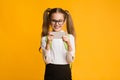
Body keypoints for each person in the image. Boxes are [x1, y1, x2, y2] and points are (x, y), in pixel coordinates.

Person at [40, 8, 76, 80]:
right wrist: (48, 44)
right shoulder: (45, 39)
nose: (57, 24)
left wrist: (68, 44)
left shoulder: (70, 38)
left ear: (64, 21)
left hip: (65, 73)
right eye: (54, 20)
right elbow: (47, 61)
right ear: (49, 21)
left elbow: (70, 60)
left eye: (60, 21)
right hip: (50, 73)